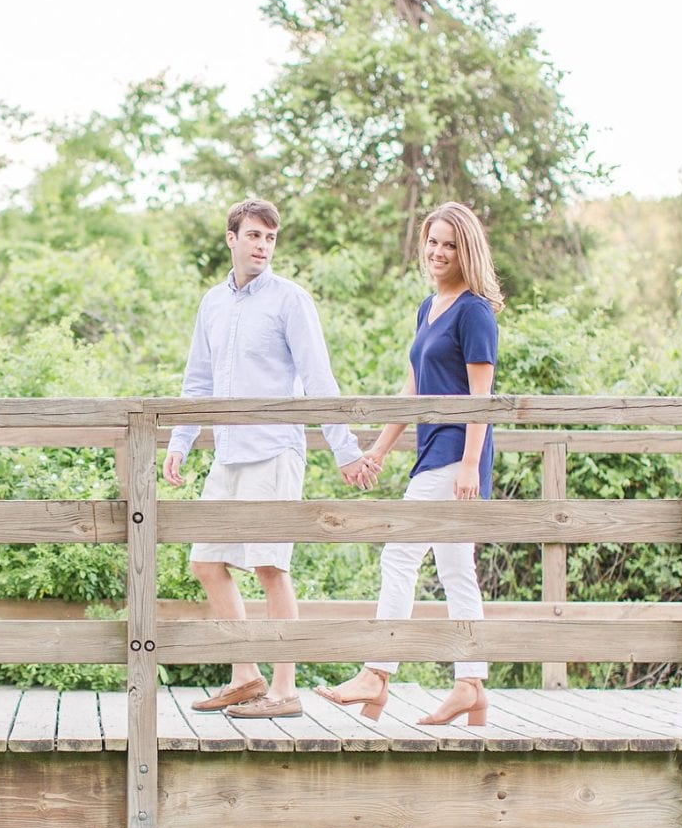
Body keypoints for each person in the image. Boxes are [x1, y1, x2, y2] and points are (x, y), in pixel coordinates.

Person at [163, 197, 379, 719]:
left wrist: (345, 450)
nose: (262, 246)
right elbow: (199, 381)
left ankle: (285, 689)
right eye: (254, 235)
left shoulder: (290, 300)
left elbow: (318, 379)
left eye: (270, 238)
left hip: (275, 451)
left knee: (269, 565)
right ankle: (246, 675)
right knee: (206, 561)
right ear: (232, 239)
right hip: (230, 454)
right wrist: (180, 439)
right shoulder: (212, 303)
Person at [314, 201, 501, 726]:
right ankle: (471, 685)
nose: (439, 252)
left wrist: (469, 466)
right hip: (429, 449)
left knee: (399, 555)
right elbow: (415, 385)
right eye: (433, 242)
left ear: (467, 250)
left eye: (450, 244)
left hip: (455, 453)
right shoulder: (430, 307)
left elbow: (481, 398)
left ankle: (377, 674)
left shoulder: (474, 311)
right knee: (456, 569)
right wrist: (379, 446)